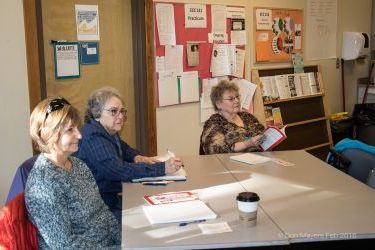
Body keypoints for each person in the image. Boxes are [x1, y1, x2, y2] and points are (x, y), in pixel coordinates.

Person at [76, 87, 183, 222]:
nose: (120, 116)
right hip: (100, 208)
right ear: (97, 113)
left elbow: (123, 148)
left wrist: (137, 157)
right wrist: (162, 168)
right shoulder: (93, 136)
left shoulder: (107, 130)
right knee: (149, 217)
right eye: (114, 111)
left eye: (122, 112)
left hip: (111, 198)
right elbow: (116, 170)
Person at [25, 97, 120, 249]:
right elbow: (64, 245)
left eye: (77, 128)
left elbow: (103, 212)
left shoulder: (78, 165)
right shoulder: (43, 183)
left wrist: (124, 241)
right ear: (47, 134)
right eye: (70, 130)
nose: (79, 135)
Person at [200, 80, 265, 154]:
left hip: (259, 159)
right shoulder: (214, 123)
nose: (237, 101)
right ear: (218, 104)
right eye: (231, 99)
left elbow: (261, 133)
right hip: (231, 163)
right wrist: (247, 144)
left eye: (237, 97)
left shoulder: (247, 116)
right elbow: (215, 150)